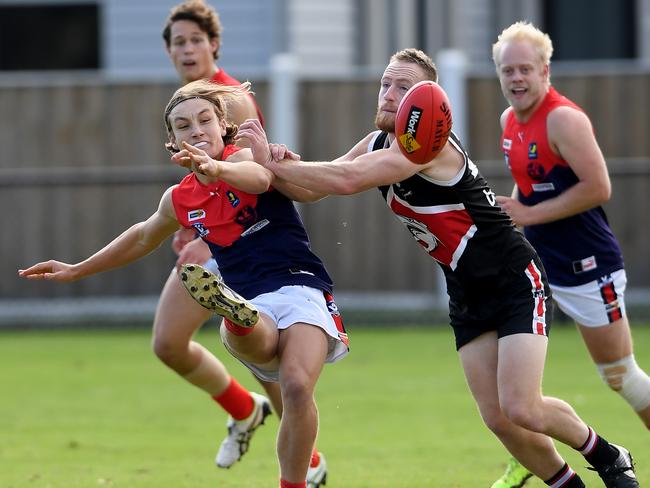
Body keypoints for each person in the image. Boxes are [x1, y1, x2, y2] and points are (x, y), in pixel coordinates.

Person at [226, 48, 638, 487]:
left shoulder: (427, 146)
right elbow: (316, 188)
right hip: (466, 292)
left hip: (513, 277)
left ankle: (609, 455)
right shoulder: (376, 144)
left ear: (425, 106)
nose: (389, 93)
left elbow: (345, 180)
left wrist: (273, 165)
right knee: (500, 420)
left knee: (522, 407)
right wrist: (272, 164)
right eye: (386, 83)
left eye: (404, 88)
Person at [19, 80, 348, 488]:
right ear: (172, 142)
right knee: (255, 332)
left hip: (300, 287)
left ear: (222, 125)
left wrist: (219, 169)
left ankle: (292, 479)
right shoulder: (180, 198)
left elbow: (259, 180)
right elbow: (141, 237)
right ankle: (235, 314)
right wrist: (76, 268)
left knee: (297, 386)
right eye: (183, 125)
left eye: (205, 120)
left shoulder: (244, 155)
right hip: (253, 299)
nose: (196, 130)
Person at [161, 2, 327, 481]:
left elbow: (251, 185)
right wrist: (190, 227)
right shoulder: (186, 104)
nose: (188, 49)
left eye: (196, 39)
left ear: (214, 44)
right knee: (170, 344)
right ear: (170, 52)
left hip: (247, 245)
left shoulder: (228, 99)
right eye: (179, 42)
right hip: (212, 242)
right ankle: (244, 412)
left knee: (270, 361)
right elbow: (199, 191)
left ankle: (306, 460)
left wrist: (206, 241)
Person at [488, 21, 650, 488]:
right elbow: (529, 187)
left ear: (545, 70)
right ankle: (531, 453)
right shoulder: (507, 122)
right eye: (507, 70)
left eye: (524, 69)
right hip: (538, 265)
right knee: (508, 378)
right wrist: (517, 217)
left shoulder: (564, 119)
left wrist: (528, 213)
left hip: (587, 267)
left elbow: (599, 188)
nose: (516, 78)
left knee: (622, 376)